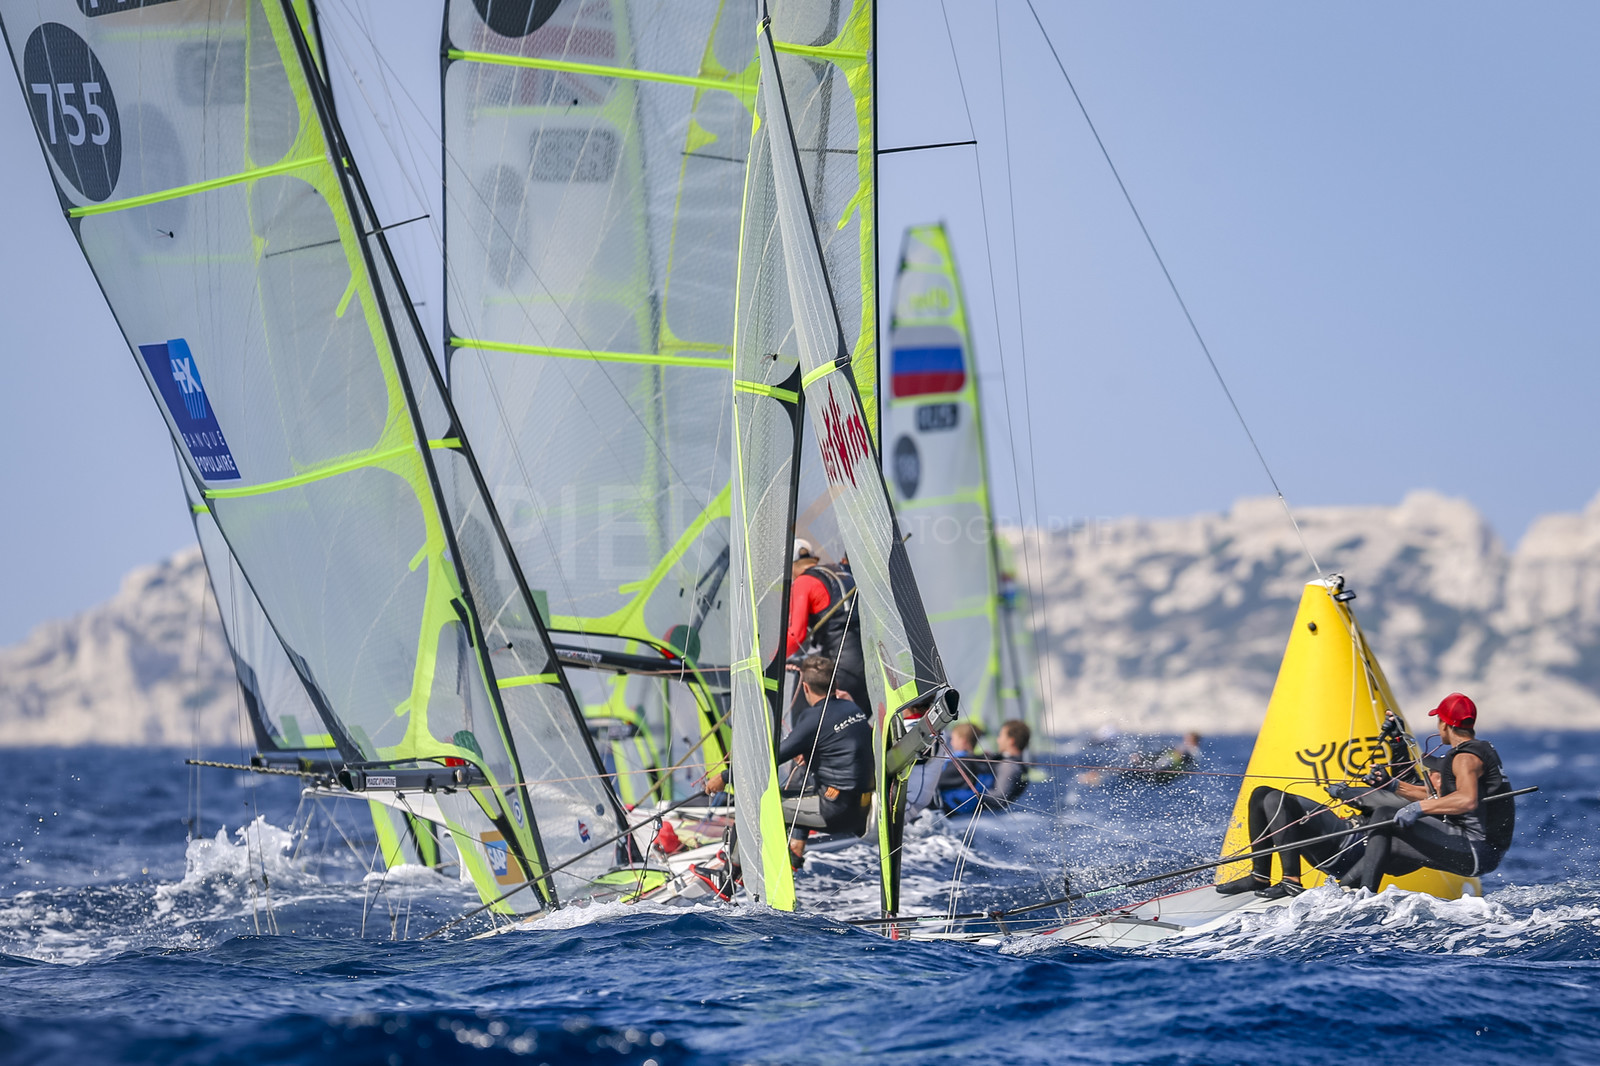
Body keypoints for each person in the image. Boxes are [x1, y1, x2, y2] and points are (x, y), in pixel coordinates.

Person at [703, 656, 875, 868]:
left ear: (805, 687)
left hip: (836, 810)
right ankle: (791, 856)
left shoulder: (814, 717)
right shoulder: (853, 710)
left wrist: (724, 777)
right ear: (836, 684)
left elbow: (769, 759)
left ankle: (729, 874)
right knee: (797, 790)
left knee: (754, 805)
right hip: (862, 808)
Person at [1340, 693, 1515, 891]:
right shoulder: (1478, 750)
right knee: (1384, 846)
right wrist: (1392, 785)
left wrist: (1419, 808)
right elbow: (1442, 799)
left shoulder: (1465, 757)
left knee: (1384, 813)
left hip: (1475, 849)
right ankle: (1344, 893)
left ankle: (1366, 896)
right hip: (1483, 853)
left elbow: (1466, 800)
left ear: (1444, 724)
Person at [1215, 785, 1377, 900]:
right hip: (1341, 842)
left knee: (1275, 800)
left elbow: (1392, 801)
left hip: (1350, 846)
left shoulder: (1400, 797)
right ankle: (1259, 877)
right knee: (1260, 793)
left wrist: (1347, 793)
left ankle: (1291, 880)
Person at [787, 540, 871, 714]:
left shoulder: (804, 582)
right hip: (869, 672)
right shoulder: (843, 573)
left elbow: (796, 635)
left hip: (838, 674)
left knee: (806, 724)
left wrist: (769, 659)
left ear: (790, 566)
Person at [937, 723, 996, 815]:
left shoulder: (959, 763)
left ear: (963, 741)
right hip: (970, 808)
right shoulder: (982, 761)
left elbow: (936, 783)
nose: (951, 742)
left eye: (953, 739)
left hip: (951, 808)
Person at [985, 720, 1032, 810]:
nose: (998, 740)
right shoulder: (1018, 764)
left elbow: (999, 798)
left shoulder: (1008, 766)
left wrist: (971, 793)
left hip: (991, 816)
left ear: (1011, 741)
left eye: (1000, 736)